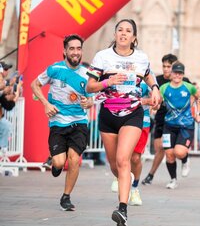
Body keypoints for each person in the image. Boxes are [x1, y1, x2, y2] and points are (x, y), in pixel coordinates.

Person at [85, 19, 161, 226]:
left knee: (123, 159)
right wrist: (108, 82)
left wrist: (155, 88)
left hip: (132, 113)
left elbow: (149, 76)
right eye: (120, 30)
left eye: (128, 31)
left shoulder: (141, 58)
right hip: (108, 115)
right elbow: (89, 87)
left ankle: (122, 209)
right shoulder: (102, 56)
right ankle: (126, 183)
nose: (124, 34)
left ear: (134, 37)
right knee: (114, 165)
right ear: (115, 34)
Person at [30, 34, 93, 211]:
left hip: (79, 122)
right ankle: (55, 162)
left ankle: (66, 197)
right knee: (59, 163)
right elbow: (34, 85)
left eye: (78, 48)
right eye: (71, 49)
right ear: (64, 51)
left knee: (74, 159)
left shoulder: (87, 75)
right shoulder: (54, 69)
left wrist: (89, 102)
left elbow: (91, 99)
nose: (75, 52)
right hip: (58, 123)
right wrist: (46, 104)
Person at [141, 54, 191, 185]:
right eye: (164, 66)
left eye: (169, 66)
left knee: (175, 151)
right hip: (161, 119)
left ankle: (184, 158)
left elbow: (193, 96)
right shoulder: (156, 80)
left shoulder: (183, 80)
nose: (166, 69)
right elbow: (149, 91)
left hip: (179, 122)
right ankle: (153, 175)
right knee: (160, 149)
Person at [160, 62, 199, 189]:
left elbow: (199, 97)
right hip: (169, 125)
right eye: (175, 72)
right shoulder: (164, 88)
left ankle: (185, 159)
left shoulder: (189, 87)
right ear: (171, 74)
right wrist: (153, 107)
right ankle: (173, 179)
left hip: (186, 126)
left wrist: (198, 113)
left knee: (179, 152)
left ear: (183, 74)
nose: (177, 75)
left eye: (180, 73)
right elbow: (157, 101)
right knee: (169, 154)